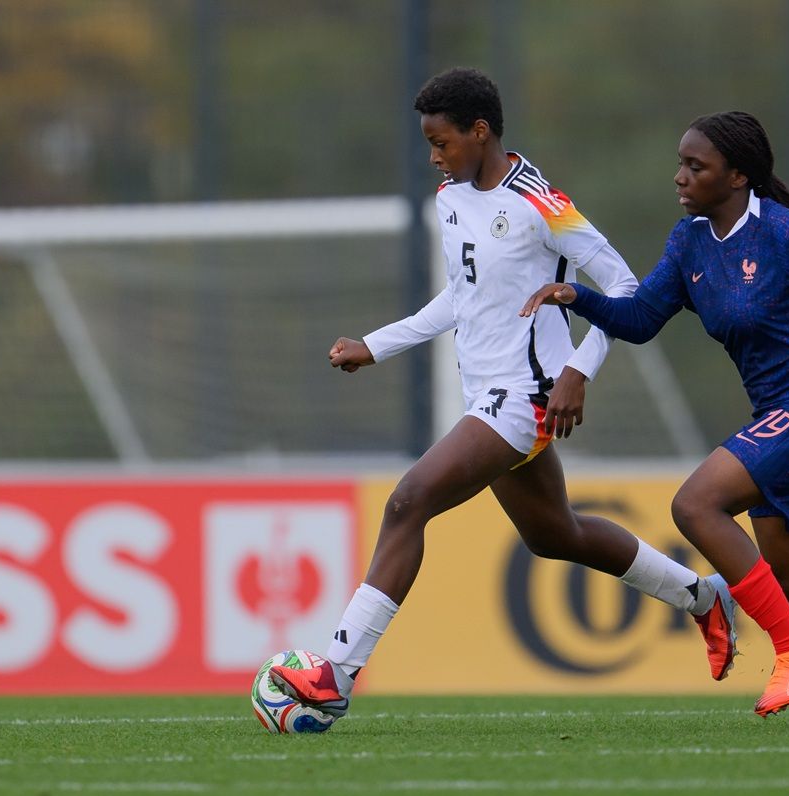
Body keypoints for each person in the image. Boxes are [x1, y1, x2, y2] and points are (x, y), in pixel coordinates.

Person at [270, 68, 737, 720]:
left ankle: (336, 674)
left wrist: (579, 370)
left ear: (480, 131)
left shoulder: (542, 204)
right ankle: (703, 596)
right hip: (484, 394)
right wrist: (377, 344)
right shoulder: (450, 196)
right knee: (555, 534)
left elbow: (625, 287)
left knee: (408, 501)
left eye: (441, 142)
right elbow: (461, 297)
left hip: (527, 396)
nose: (434, 157)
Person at [520, 111, 789, 727]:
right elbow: (640, 321)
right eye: (681, 164)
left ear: (738, 176)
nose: (680, 176)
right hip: (783, 414)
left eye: (697, 166)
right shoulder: (689, 241)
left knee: (695, 505)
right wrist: (579, 297)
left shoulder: (783, 232)